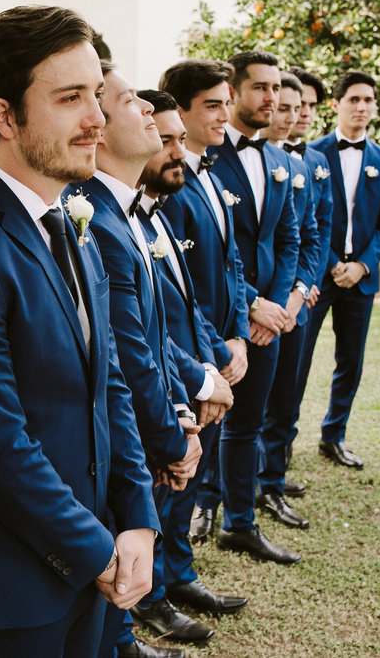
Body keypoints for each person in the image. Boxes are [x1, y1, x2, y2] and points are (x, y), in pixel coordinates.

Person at [0, 6, 160, 656]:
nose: (96, 119)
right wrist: (100, 550)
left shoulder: (76, 225)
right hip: (10, 586)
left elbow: (111, 389)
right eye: (70, 98)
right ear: (4, 116)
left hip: (98, 566)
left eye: (95, 96)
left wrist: (138, 520)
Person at [67, 56, 209, 657]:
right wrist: (174, 436)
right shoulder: (92, 219)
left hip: (148, 421)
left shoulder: (124, 214)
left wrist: (180, 410)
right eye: (132, 101)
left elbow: (154, 332)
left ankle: (121, 639)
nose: (149, 108)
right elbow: (124, 356)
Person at [136, 86, 249, 615]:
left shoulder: (159, 212)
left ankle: (178, 574)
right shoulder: (131, 220)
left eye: (180, 139)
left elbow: (189, 297)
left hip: (195, 363)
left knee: (185, 488)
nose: (179, 153)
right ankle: (151, 595)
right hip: (166, 376)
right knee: (160, 490)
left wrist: (218, 354)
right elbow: (143, 322)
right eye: (165, 141)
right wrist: (197, 376)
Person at [207, 50, 301, 564]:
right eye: (261, 88)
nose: (271, 98)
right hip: (224, 314)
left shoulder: (282, 161)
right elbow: (201, 249)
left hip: (269, 323)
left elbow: (287, 240)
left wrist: (277, 309)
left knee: (249, 423)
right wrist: (249, 307)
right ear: (236, 91)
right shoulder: (205, 159)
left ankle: (238, 523)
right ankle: (196, 512)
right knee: (207, 418)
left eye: (276, 87)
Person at [157, 59, 249, 546]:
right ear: (180, 109)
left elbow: (232, 261)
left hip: (218, 348)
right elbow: (171, 289)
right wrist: (200, 361)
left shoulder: (211, 174)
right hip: (185, 354)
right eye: (212, 105)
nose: (223, 116)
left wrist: (236, 335)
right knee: (175, 472)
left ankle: (179, 570)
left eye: (226, 104)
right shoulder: (167, 185)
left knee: (196, 468)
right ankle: (162, 583)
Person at [300, 70, 380, 469]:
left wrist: (361, 265)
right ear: (336, 104)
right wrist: (331, 265)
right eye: (354, 99)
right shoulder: (312, 153)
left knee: (351, 361)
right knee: (297, 362)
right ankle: (280, 441)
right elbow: (306, 218)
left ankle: (333, 436)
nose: (362, 107)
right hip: (318, 278)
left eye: (368, 100)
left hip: (360, 280)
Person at [255, 72, 324, 530]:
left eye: (296, 108)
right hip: (246, 304)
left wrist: (296, 295)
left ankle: (272, 485)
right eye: (282, 105)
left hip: (289, 306)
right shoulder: (224, 160)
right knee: (239, 412)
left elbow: (309, 236)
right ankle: (214, 498)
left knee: (285, 401)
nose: (290, 115)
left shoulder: (301, 166)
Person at [273, 66, 335, 494]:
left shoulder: (315, 162)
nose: (301, 115)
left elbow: (317, 228)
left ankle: (271, 474)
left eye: (309, 107)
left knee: (289, 389)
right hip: (268, 294)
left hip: (303, 295)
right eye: (293, 107)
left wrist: (306, 284)